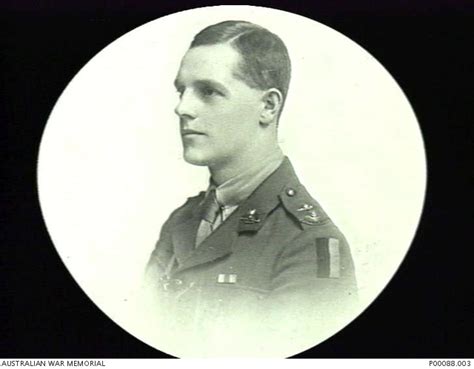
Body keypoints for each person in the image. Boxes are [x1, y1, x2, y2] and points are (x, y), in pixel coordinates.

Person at [144, 20, 358, 356]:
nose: (182, 107)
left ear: (268, 106)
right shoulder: (181, 223)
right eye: (181, 90)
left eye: (209, 91)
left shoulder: (306, 243)